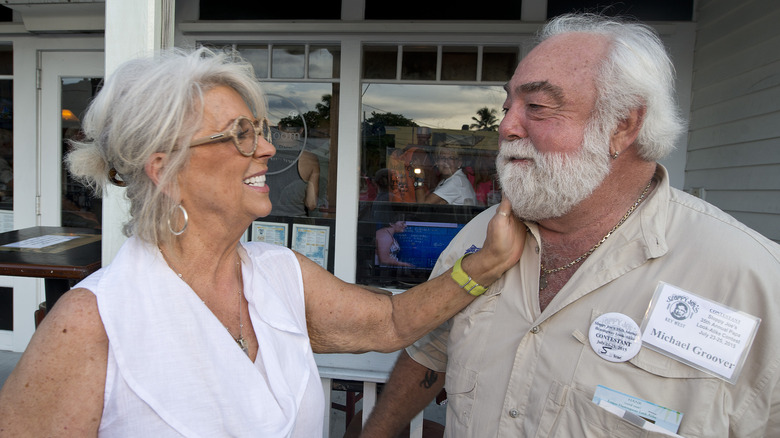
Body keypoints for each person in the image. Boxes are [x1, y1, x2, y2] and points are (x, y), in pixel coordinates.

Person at [0, 47, 525, 437]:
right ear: (165, 169)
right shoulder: (90, 324)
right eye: (240, 134)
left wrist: (482, 267)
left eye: (261, 129)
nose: (268, 148)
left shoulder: (280, 274)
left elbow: (391, 324)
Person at [362, 13, 780, 438]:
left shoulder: (751, 281)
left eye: (537, 107)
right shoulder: (480, 235)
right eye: (508, 105)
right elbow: (429, 353)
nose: (506, 126)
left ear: (623, 125)